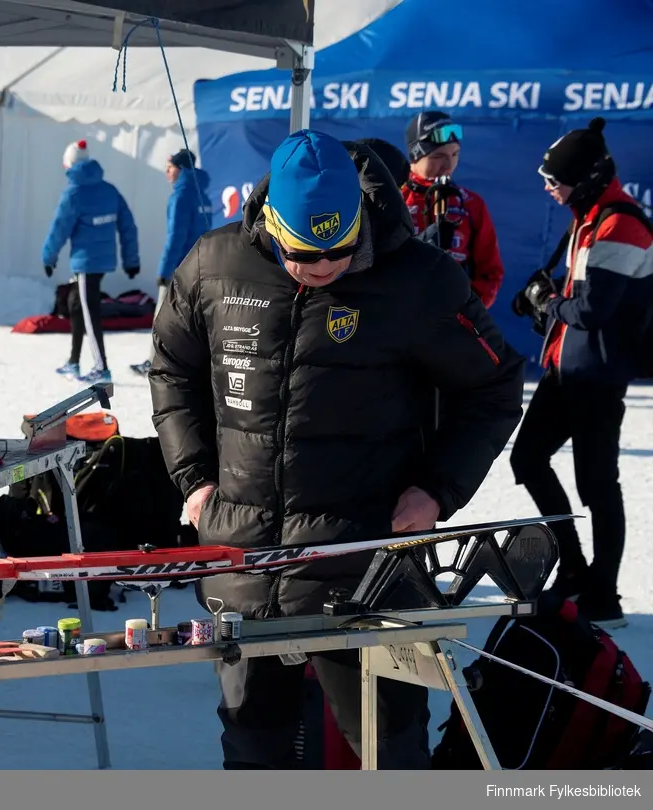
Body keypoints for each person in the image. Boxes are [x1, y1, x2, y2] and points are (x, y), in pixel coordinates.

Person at [148, 129, 524, 769]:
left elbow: (493, 385)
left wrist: (436, 489)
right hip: (246, 560)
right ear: (270, 223)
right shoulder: (215, 264)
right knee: (254, 751)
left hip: (366, 564)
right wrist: (194, 477)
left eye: (340, 251)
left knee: (387, 750)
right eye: (304, 255)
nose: (324, 268)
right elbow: (172, 369)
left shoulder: (418, 279)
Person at [510, 117, 653, 630]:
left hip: (596, 377)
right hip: (564, 371)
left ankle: (604, 594)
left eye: (556, 180)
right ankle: (573, 566)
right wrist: (543, 296)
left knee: (597, 486)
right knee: (527, 460)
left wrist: (546, 303)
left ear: (588, 178)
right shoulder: (588, 214)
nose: (549, 188)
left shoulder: (623, 223)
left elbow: (592, 309)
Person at [43, 139, 140, 384]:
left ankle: (101, 367)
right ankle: (74, 362)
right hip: (103, 260)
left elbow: (59, 229)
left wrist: (49, 257)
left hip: (86, 264)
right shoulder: (109, 190)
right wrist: (131, 259)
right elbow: (127, 226)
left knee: (89, 312)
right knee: (76, 304)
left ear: (68, 166)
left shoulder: (73, 193)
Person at [400, 111, 506, 309]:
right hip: (398, 315)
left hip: (450, 321)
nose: (448, 165)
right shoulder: (396, 197)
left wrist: (467, 307)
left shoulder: (470, 204)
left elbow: (490, 272)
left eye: (455, 154)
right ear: (415, 156)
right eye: (438, 156)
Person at [131, 148, 212, 376]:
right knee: (194, 320)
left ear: (181, 169)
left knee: (163, 317)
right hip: (200, 266)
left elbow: (175, 236)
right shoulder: (203, 193)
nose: (167, 172)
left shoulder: (181, 194)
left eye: (170, 167)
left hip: (179, 268)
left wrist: (164, 271)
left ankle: (154, 362)